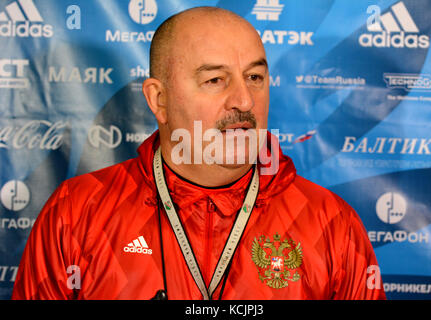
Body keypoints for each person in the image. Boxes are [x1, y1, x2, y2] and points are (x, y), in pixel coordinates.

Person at [12, 7, 386, 300]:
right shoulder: (77, 213)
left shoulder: (329, 222)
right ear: (159, 100)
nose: (243, 100)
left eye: (254, 77)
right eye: (214, 80)